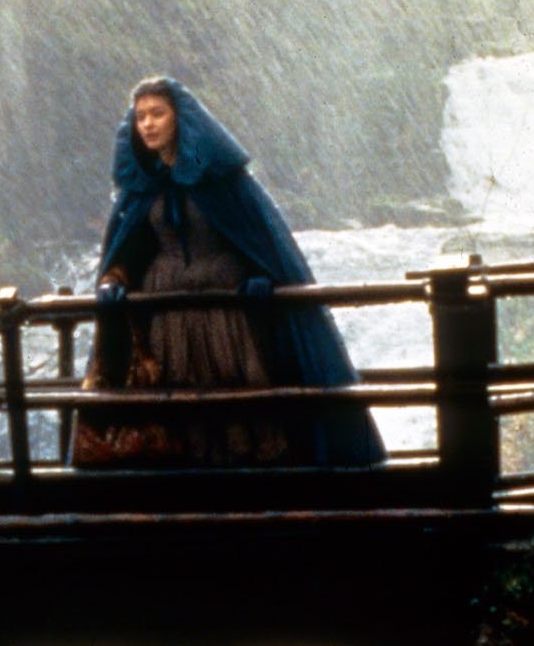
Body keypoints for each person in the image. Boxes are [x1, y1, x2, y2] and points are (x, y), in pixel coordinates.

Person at [69, 75, 384, 468]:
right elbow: (130, 248)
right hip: (167, 310)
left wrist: (261, 275)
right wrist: (114, 278)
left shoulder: (214, 174)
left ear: (179, 119)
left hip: (225, 305)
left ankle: (244, 478)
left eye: (157, 114)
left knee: (236, 392)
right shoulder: (144, 184)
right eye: (140, 117)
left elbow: (255, 236)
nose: (147, 124)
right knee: (175, 398)